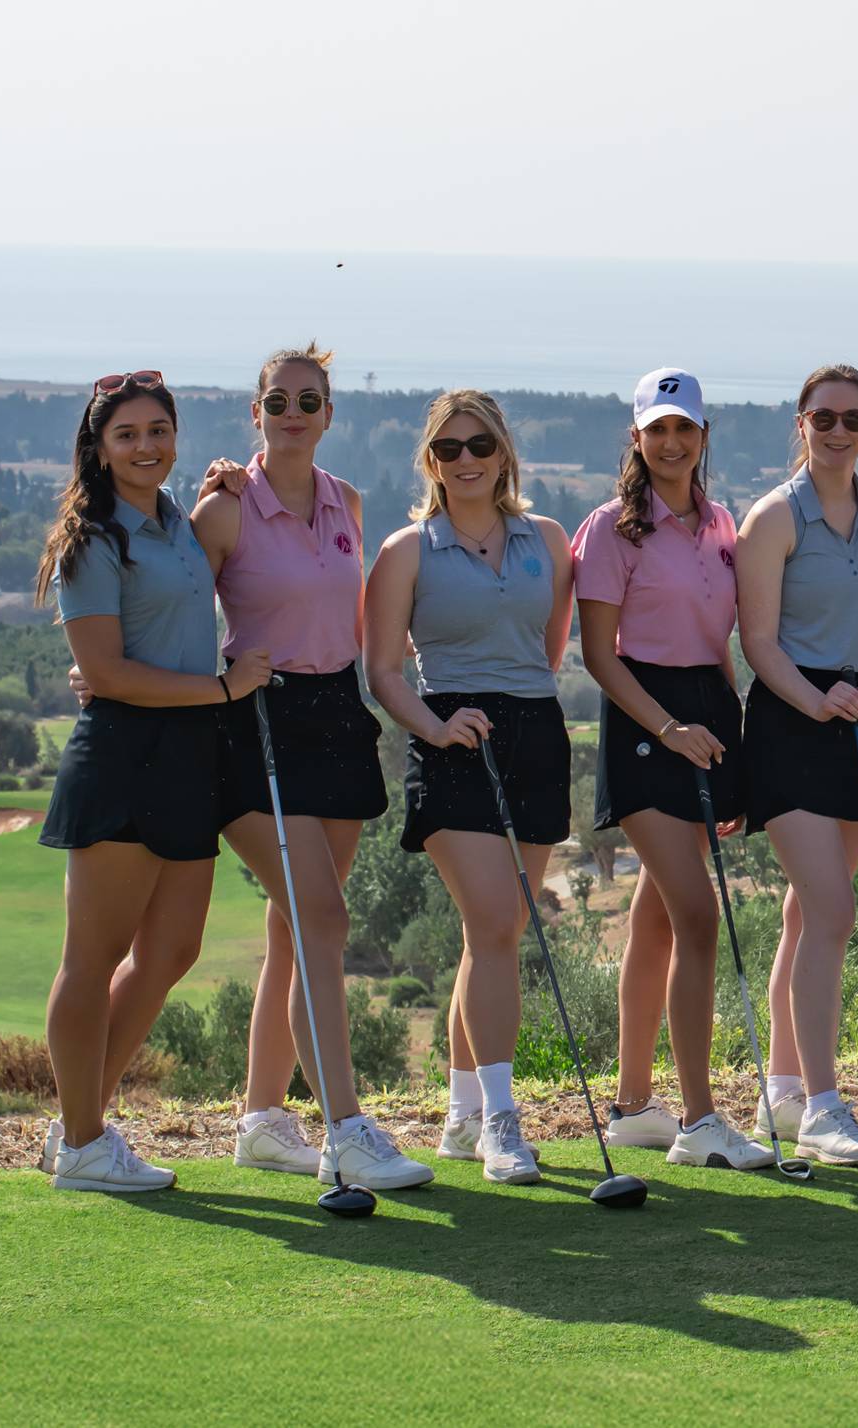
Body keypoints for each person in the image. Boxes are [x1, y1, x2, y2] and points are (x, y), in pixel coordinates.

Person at [189, 344, 429, 1191]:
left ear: (330, 414)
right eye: (278, 401)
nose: (293, 412)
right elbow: (174, 613)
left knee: (297, 932)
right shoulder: (223, 509)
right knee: (323, 921)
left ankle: (261, 1119)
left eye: (309, 400)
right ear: (256, 413)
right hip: (254, 724)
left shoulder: (348, 503)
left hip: (335, 716)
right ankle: (347, 1127)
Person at [37, 371, 268, 1192]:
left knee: (171, 949)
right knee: (92, 958)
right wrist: (222, 690)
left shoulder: (174, 517)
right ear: (99, 447)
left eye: (158, 431)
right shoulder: (93, 538)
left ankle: (79, 1128)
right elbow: (102, 670)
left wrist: (225, 482)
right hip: (126, 752)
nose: (146, 446)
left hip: (188, 753)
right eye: (127, 434)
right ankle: (83, 1142)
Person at [363, 390, 573, 1186]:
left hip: (536, 734)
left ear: (503, 452)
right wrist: (435, 726)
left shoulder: (547, 540)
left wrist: (516, 704)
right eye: (448, 450)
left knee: (496, 934)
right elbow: (382, 669)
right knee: (492, 923)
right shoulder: (406, 551)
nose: (466, 460)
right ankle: (501, 1121)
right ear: (431, 462)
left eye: (479, 444)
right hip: (448, 734)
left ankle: (459, 1114)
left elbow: (548, 649)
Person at [570, 367, 774, 1171]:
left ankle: (630, 1107)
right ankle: (698, 1120)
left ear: (702, 437)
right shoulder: (611, 529)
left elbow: (721, 646)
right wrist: (669, 727)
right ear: (637, 439)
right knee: (697, 917)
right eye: (657, 429)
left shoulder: (722, 526)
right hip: (647, 726)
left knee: (658, 918)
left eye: (683, 428)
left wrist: (734, 753)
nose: (671, 442)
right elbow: (597, 655)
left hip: (709, 721)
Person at [734, 363, 858, 1167]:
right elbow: (758, 643)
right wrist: (815, 704)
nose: (838, 432)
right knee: (833, 912)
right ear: (799, 424)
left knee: (809, 917)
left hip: (856, 720)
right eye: (823, 418)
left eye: (853, 419)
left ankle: (782, 1086)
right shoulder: (773, 519)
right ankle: (824, 1107)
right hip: (789, 721)